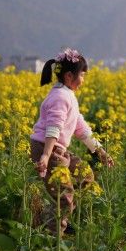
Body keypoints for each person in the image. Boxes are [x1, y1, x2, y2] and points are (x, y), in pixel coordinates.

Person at [30, 48, 114, 234]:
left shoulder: (67, 95)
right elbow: (53, 128)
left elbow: (81, 128)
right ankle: (53, 236)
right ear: (69, 75)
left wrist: (100, 152)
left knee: (85, 176)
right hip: (48, 148)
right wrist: (45, 155)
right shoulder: (60, 97)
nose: (83, 80)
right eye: (82, 75)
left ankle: (57, 217)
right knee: (64, 197)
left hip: (55, 149)